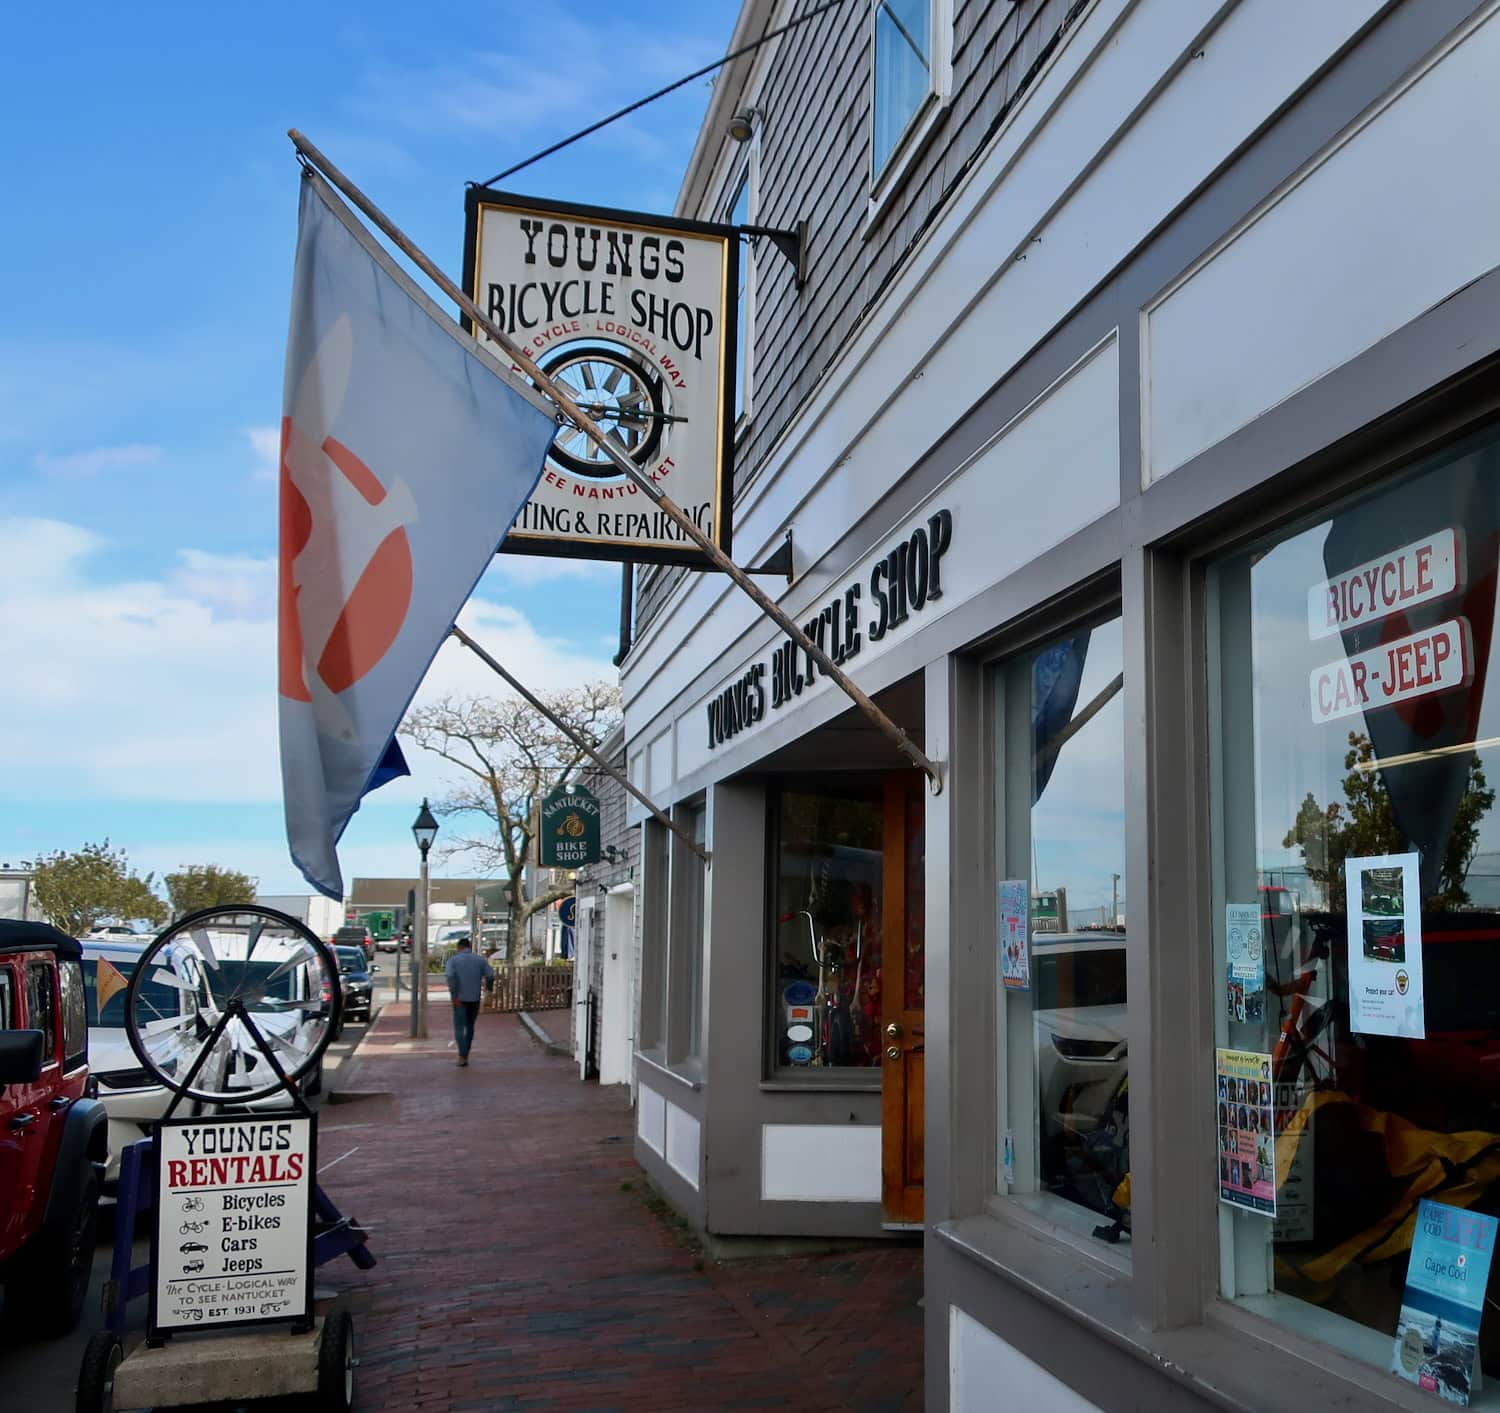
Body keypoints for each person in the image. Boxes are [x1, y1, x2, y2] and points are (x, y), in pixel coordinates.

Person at [444, 937, 494, 1067]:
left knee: (459, 1027)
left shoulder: (453, 961)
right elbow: (490, 975)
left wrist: (454, 995)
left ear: (458, 947)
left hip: (459, 998)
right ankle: (466, 1053)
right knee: (470, 1026)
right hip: (474, 998)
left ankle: (462, 1055)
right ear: (470, 946)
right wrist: (488, 990)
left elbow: (450, 977)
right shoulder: (479, 960)